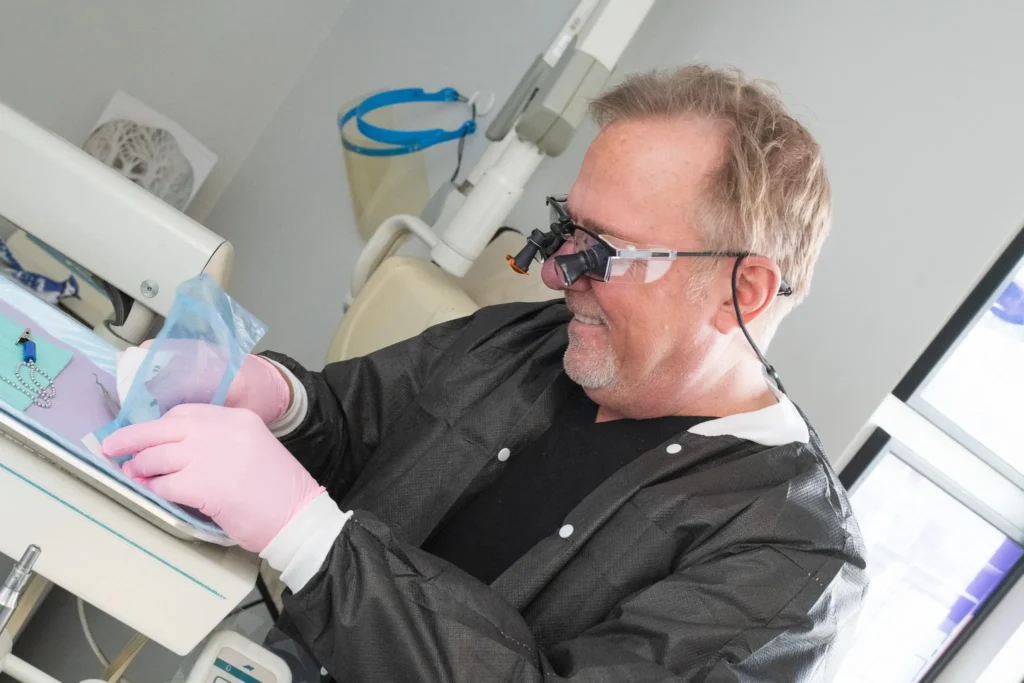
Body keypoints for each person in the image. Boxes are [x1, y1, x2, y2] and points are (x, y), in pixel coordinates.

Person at [103, 66, 867, 681]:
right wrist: (281, 400)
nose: (558, 273)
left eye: (605, 252)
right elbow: (352, 425)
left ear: (746, 291)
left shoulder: (793, 552)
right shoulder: (535, 340)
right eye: (567, 230)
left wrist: (311, 540)